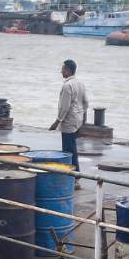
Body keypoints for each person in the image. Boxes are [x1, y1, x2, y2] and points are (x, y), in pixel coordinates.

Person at [49, 59, 89, 187]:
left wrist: (57, 122)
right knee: (72, 147)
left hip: (69, 121)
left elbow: (64, 107)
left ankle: (74, 176)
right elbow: (86, 102)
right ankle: (74, 175)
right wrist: (83, 118)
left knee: (68, 150)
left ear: (68, 70)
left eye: (63, 69)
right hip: (77, 119)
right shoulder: (80, 83)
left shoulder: (67, 86)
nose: (61, 71)